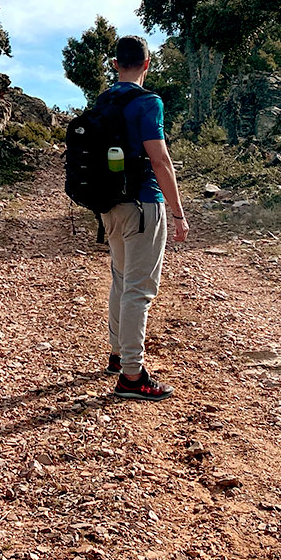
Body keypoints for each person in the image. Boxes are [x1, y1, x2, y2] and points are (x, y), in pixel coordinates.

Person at [100, 35, 189, 401]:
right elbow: (159, 160)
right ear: (147, 63)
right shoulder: (149, 102)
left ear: (116, 64)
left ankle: (118, 355)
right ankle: (132, 378)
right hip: (143, 206)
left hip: (110, 206)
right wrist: (178, 213)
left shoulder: (103, 101)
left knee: (122, 279)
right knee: (139, 288)